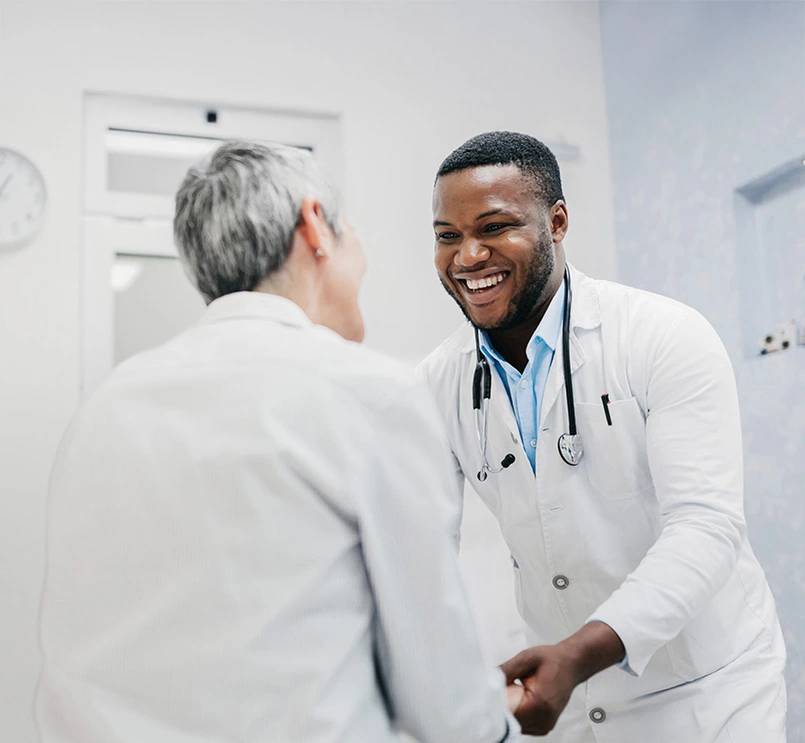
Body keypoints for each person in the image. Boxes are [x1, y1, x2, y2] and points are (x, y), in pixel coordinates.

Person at [35, 141, 523, 743]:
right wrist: (499, 718)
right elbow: (444, 706)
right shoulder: (368, 394)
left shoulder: (104, 409)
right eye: (353, 235)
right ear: (315, 225)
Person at [419, 131, 787, 741]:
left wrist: (577, 655)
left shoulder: (662, 336)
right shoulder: (438, 383)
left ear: (557, 222)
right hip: (572, 706)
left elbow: (705, 527)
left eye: (494, 227)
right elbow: (422, 546)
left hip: (709, 694)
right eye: (447, 235)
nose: (468, 256)